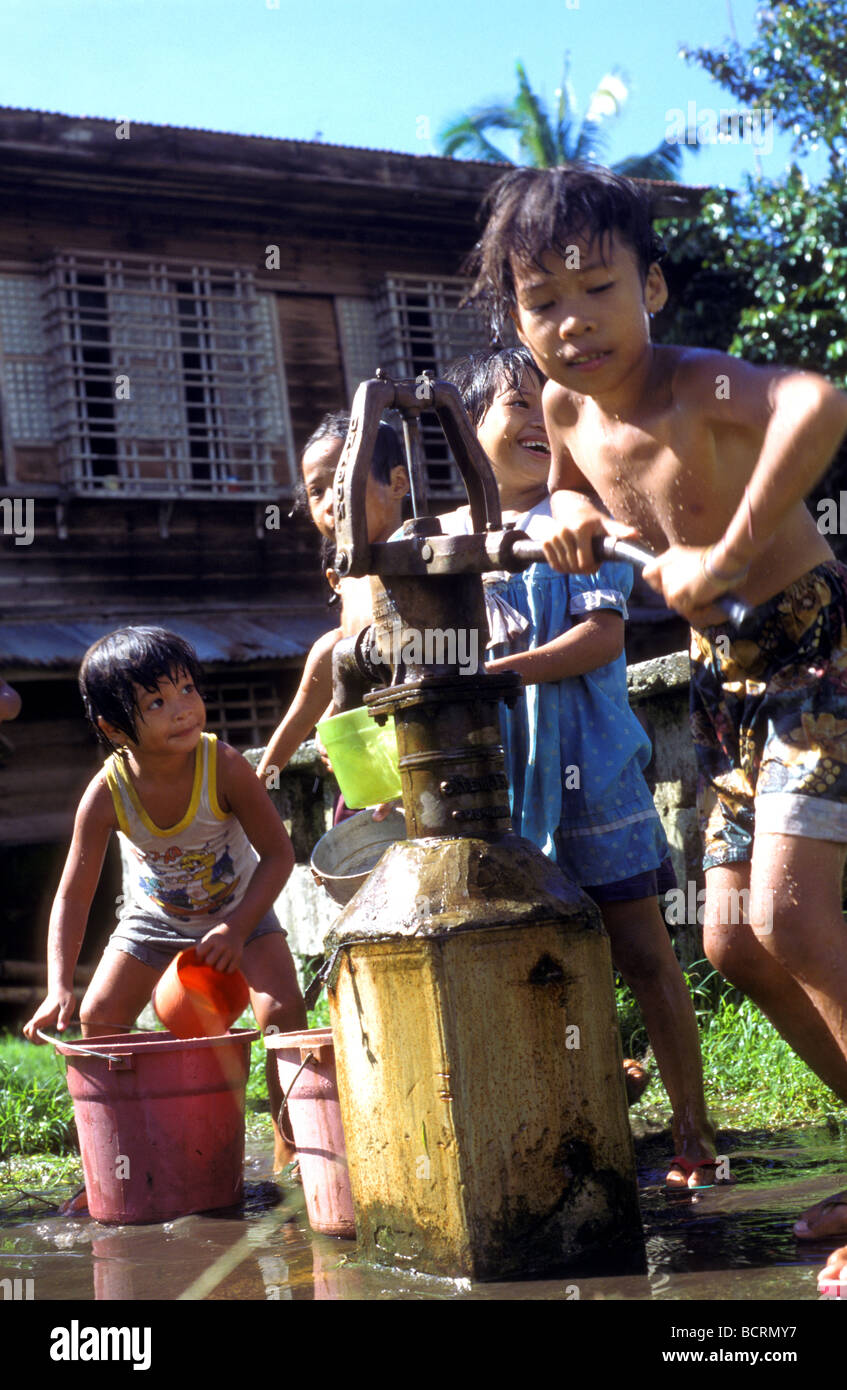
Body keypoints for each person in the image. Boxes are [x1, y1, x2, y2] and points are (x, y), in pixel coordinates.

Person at [465, 162, 847, 1234]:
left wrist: (722, 553)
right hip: (728, 680)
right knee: (730, 939)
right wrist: (554, 522)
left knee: (790, 913)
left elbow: (816, 403)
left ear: (655, 291)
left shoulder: (696, 386)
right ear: (516, 314)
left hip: (818, 650)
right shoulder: (560, 407)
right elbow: (573, 504)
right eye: (544, 302)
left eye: (599, 290)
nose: (573, 323)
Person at [438, 344, 717, 1187]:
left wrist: (501, 671)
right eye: (513, 405)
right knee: (532, 965)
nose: (534, 422)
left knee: (641, 952)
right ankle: (572, 1126)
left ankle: (695, 1135)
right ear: (466, 427)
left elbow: (602, 636)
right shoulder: (447, 541)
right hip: (495, 794)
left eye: (544, 406)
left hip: (591, 778)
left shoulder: (576, 523)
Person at [23, 626, 305, 1172]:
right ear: (113, 727)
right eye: (156, 701)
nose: (182, 709)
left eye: (186, 690)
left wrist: (238, 928)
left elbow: (278, 855)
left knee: (282, 1013)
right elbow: (74, 894)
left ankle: (290, 1158)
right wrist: (58, 986)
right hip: (154, 918)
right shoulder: (107, 793)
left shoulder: (222, 764)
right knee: (99, 1017)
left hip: (238, 910)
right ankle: (123, 1161)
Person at [257, 414, 409, 788]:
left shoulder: (418, 560)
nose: (330, 502)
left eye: (344, 479)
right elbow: (308, 705)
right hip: (371, 768)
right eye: (317, 491)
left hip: (422, 751)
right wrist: (258, 787)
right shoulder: (352, 582)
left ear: (397, 483)